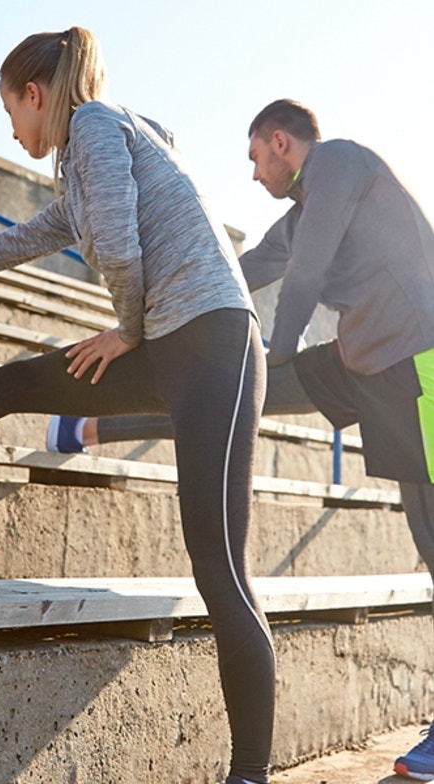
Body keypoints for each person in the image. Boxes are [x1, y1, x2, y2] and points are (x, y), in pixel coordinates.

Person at [0, 27, 275, 784]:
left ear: (36, 95)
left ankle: (249, 776)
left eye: (10, 111)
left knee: (222, 573)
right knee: (17, 382)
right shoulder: (75, 178)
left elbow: (117, 245)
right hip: (165, 343)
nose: (10, 130)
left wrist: (126, 330)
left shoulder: (97, 126)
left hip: (212, 345)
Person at [46, 98, 434, 782]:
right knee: (223, 396)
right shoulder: (298, 218)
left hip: (424, 361)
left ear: (280, 142)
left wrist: (271, 351)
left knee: (433, 538)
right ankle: (93, 425)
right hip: (369, 363)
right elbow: (243, 267)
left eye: (255, 158)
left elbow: (306, 276)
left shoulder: (341, 161)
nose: (253, 175)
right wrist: (148, 289)